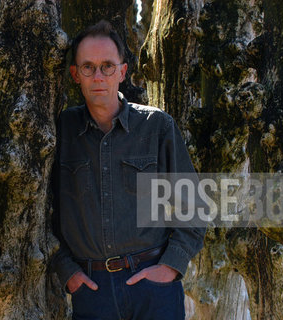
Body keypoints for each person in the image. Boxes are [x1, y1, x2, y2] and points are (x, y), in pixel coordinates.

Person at [51, 20, 205, 320]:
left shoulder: (157, 127)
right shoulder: (61, 132)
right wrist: (66, 270)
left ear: (122, 72)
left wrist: (171, 266)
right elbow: (42, 211)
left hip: (154, 288)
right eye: (88, 67)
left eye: (107, 66)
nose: (98, 76)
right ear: (75, 75)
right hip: (91, 291)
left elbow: (194, 206)